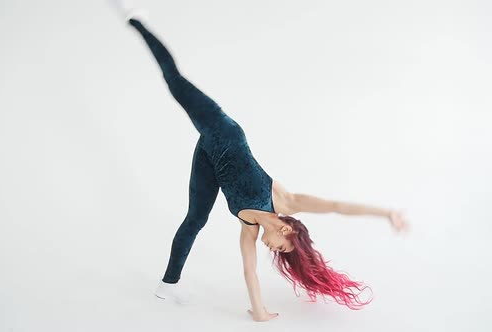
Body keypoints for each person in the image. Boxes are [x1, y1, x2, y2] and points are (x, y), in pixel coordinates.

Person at [107, 0, 410, 322]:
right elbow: (337, 206)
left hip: (209, 157)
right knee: (175, 81)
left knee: (194, 220)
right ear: (287, 229)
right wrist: (386, 212)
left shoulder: (248, 227)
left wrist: (260, 311)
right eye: (281, 247)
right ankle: (135, 20)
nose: (273, 250)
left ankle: (167, 285)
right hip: (221, 129)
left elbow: (249, 271)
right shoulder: (286, 201)